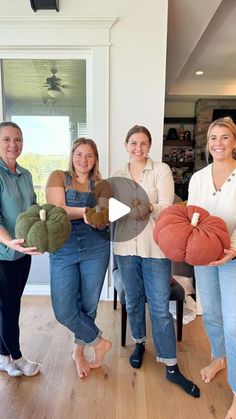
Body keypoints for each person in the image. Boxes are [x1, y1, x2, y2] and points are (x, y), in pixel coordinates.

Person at [112, 125, 200, 398]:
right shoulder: (118, 174)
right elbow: (113, 209)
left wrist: (149, 207)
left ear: (150, 146)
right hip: (126, 248)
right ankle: (139, 343)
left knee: (160, 308)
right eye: (134, 143)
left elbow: (168, 208)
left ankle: (171, 365)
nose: (138, 148)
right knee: (135, 300)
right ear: (126, 145)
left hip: (155, 250)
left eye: (144, 143)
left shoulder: (160, 170)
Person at [46, 138, 112, 379]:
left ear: (95, 160)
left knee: (88, 305)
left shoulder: (103, 185)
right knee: (64, 309)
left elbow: (102, 215)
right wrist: (86, 212)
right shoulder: (58, 177)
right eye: (79, 154)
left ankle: (79, 352)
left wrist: (102, 216)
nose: (84, 160)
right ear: (72, 155)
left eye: (90, 156)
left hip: (96, 246)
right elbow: (56, 210)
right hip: (63, 245)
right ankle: (99, 342)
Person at [187, 116, 236, 419]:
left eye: (225, 137)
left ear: (235, 142)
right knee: (213, 316)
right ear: (208, 144)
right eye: (213, 138)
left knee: (234, 323)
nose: (218, 143)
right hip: (204, 259)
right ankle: (219, 357)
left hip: (233, 257)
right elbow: (192, 217)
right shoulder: (198, 178)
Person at [0, 121, 41, 378]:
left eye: (18, 139)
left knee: (10, 305)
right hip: (3, 254)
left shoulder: (25, 174)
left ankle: (3, 357)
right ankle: (17, 356)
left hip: (22, 254)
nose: (13, 144)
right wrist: (7, 241)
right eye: (6, 139)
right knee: (9, 308)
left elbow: (34, 208)